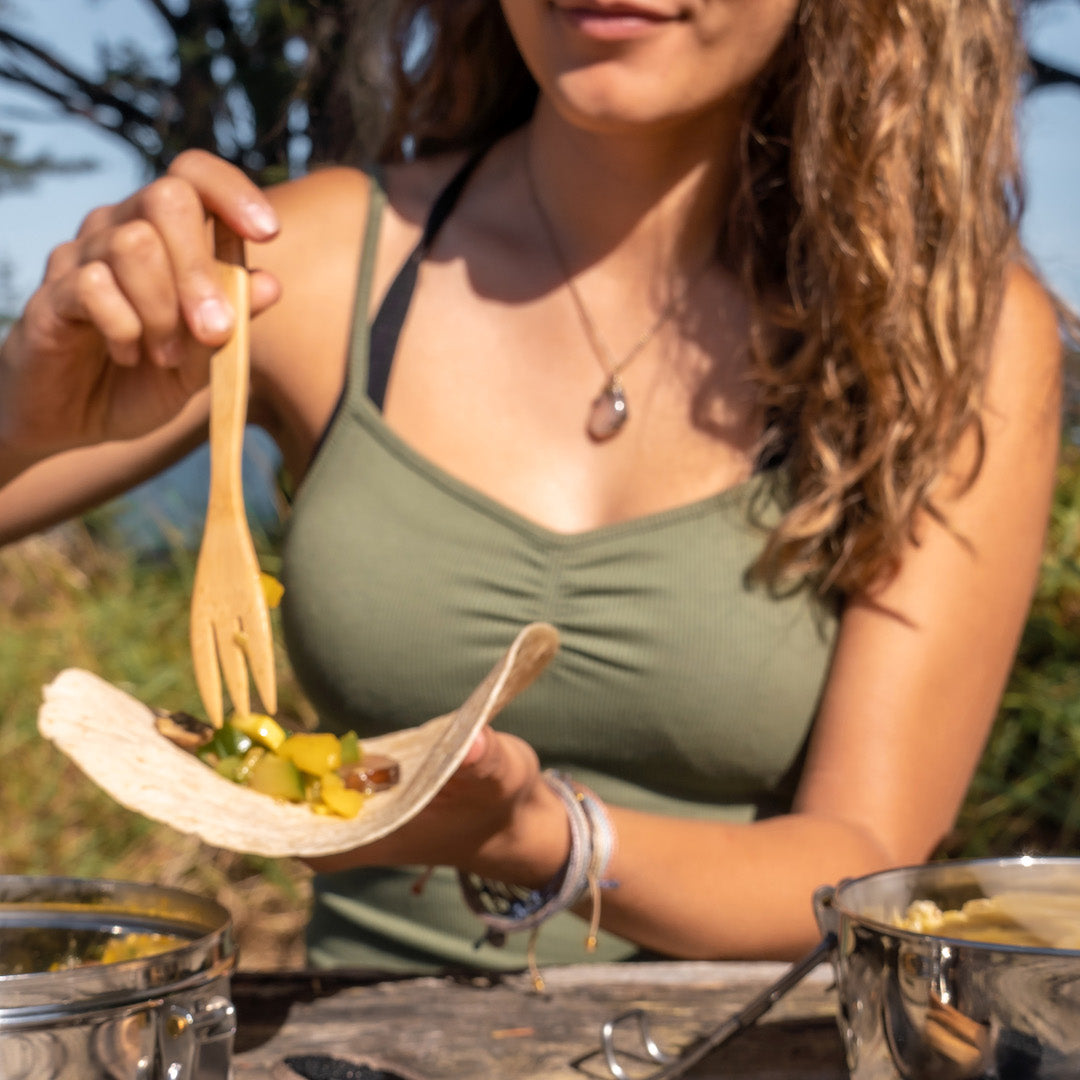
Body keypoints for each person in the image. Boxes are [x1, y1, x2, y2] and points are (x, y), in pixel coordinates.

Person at [0, 0, 1066, 976]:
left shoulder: (946, 334)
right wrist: (25, 413)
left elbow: (866, 860)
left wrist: (541, 837)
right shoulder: (312, 264)